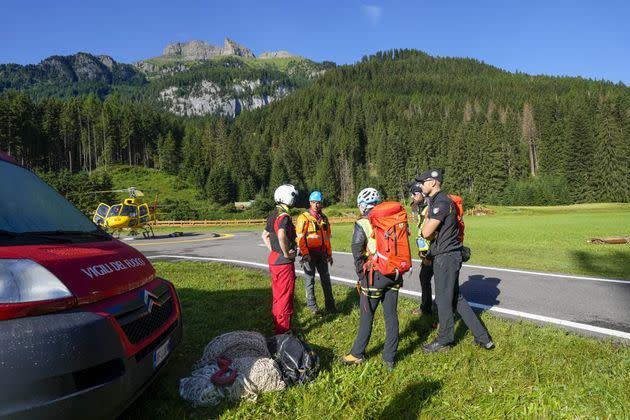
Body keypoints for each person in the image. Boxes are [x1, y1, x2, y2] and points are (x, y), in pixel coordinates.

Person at [417, 169, 494, 352]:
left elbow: (426, 233)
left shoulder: (441, 202)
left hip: (446, 257)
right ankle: (483, 338)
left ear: (434, 182)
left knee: (443, 300)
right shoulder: (437, 201)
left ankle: (445, 340)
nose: (420, 185)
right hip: (448, 255)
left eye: (423, 182)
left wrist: (423, 228)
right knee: (456, 299)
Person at [341, 187, 400, 370]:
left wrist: (361, 276)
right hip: (395, 274)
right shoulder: (393, 220)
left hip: (374, 276)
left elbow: (357, 251)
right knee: (391, 316)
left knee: (367, 316)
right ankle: (389, 358)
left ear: (362, 206)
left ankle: (357, 354)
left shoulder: (363, 223)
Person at [261, 184, 298, 334]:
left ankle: (277, 325)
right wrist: (285, 253)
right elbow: (281, 234)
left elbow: (264, 236)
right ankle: (283, 332)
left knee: (277, 296)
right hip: (283, 264)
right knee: (285, 298)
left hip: (274, 260)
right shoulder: (284, 217)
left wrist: (274, 251)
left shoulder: (273, 214)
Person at [295, 191, 336, 314]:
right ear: (310, 202)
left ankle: (331, 306)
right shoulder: (304, 218)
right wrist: (305, 253)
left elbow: (327, 238)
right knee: (310, 281)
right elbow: (300, 238)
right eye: (314, 202)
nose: (316, 205)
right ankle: (313, 307)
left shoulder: (324, 218)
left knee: (326, 281)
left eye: (318, 202)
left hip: (322, 254)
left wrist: (329, 254)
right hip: (309, 255)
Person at [409, 181, 434, 316]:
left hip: (434, 251)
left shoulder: (429, 208)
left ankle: (448, 310)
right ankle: (426, 307)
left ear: (422, 194)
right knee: (424, 278)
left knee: (442, 283)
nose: (412, 197)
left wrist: (429, 255)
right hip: (426, 252)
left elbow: (433, 233)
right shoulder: (421, 207)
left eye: (414, 194)